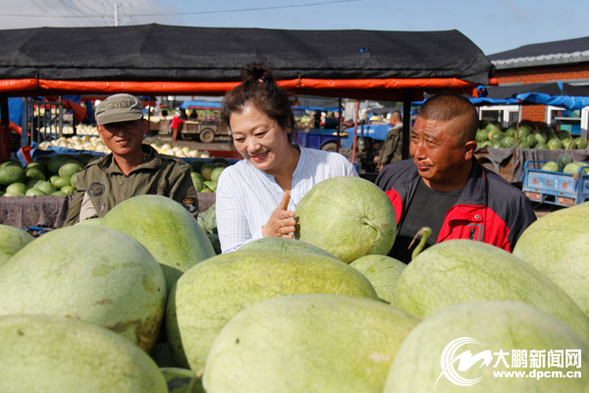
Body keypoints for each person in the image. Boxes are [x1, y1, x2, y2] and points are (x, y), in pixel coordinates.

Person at [375, 93, 537, 264]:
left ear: (468, 150)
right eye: (415, 138)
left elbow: (528, 275)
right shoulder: (392, 177)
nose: (418, 153)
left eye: (431, 143)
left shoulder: (509, 205)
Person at [215, 63, 358, 253]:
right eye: (240, 138)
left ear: (286, 123)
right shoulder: (233, 180)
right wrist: (266, 234)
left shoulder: (335, 168)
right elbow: (231, 258)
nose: (252, 147)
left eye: (260, 133)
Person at [64, 93, 198, 226]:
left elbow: (185, 227)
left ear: (144, 126)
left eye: (129, 123)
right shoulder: (91, 175)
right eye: (112, 125)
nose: (121, 132)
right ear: (100, 131)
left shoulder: (173, 172)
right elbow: (71, 231)